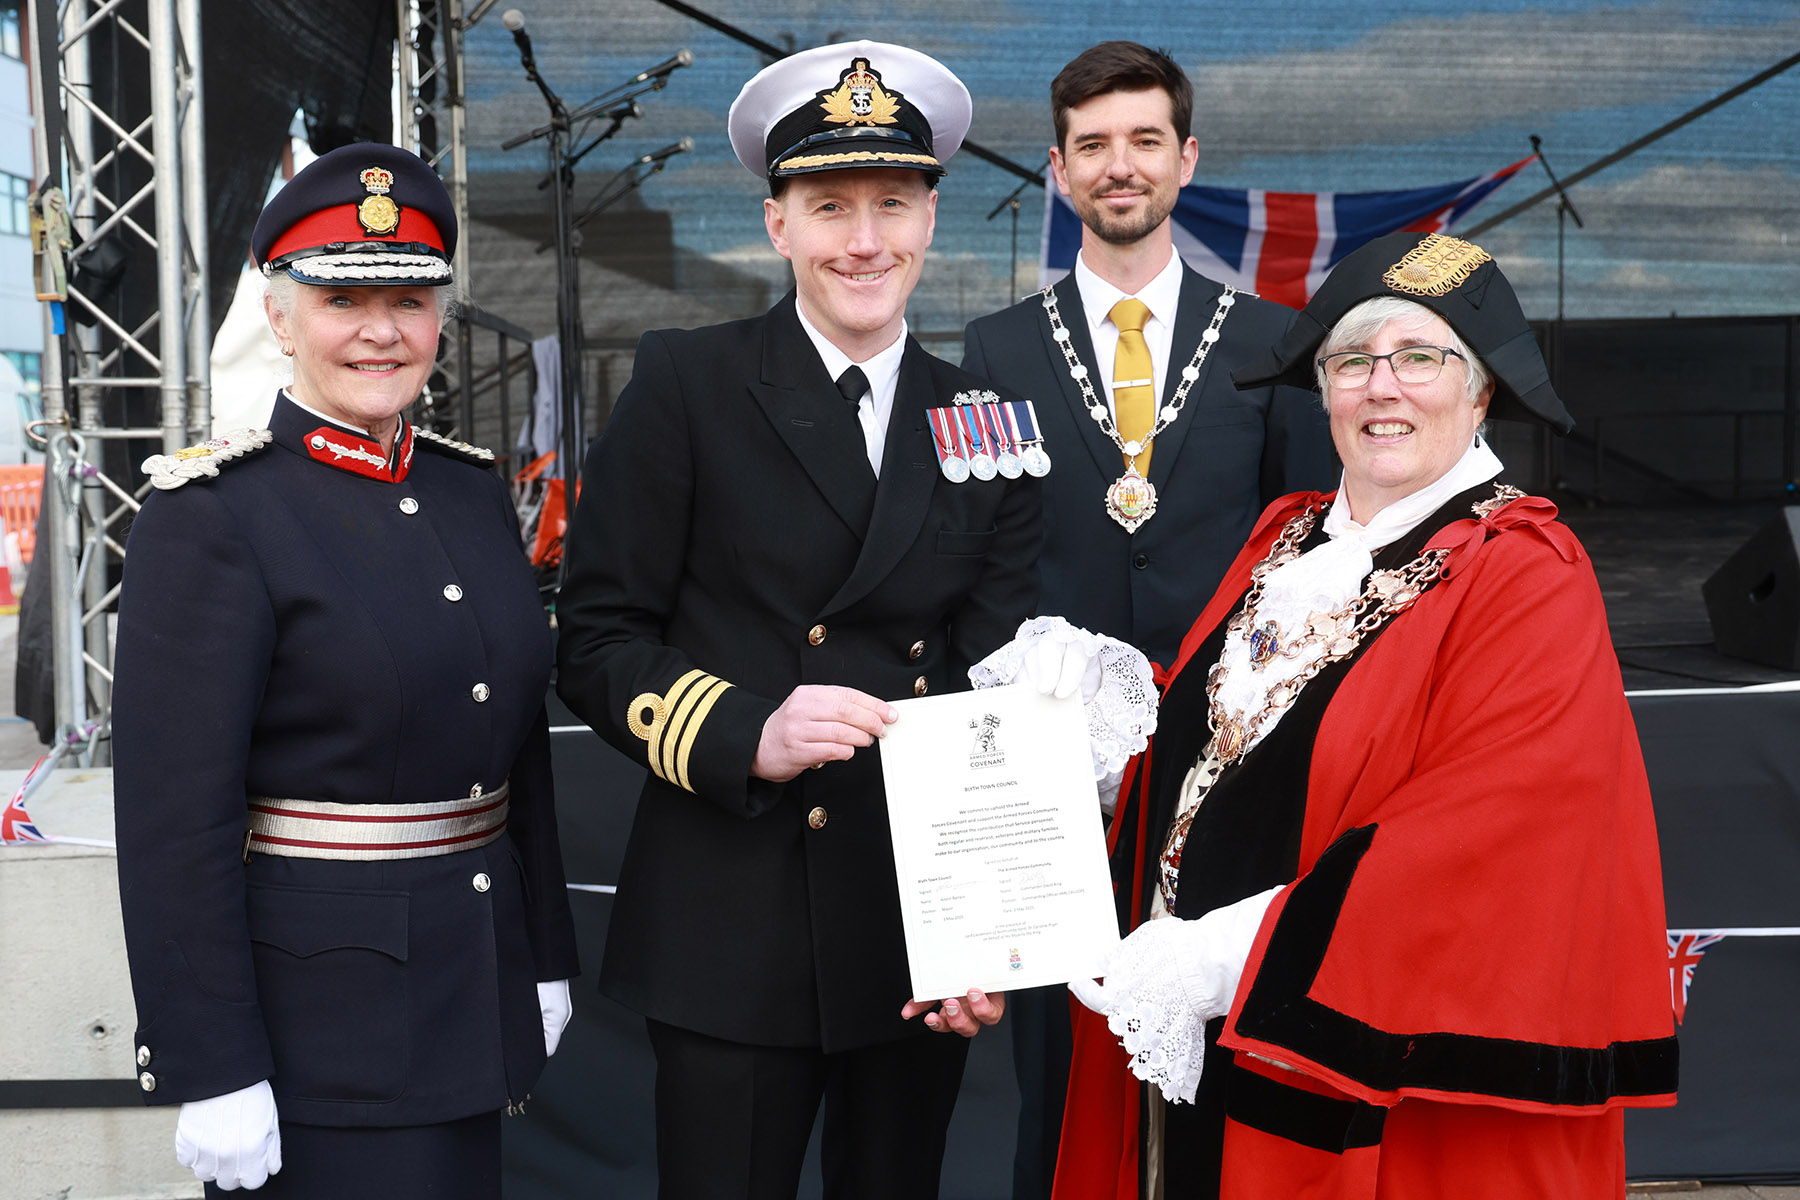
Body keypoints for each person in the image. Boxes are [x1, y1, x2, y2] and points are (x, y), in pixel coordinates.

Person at [1052, 232, 1677, 1198]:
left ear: (1482, 392)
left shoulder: (1523, 573)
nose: (1382, 387)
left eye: (1421, 357)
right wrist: (1096, 728)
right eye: (1352, 360)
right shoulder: (1286, 536)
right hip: (1194, 1037)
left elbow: (1484, 838)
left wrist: (1220, 957)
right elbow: (1223, 745)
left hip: (1361, 1078)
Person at [553, 40, 1041, 1200]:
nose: (863, 241)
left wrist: (986, 933)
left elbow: (1003, 689)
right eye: (830, 207)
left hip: (915, 928)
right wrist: (748, 732)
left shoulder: (986, 422)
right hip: (733, 919)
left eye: (892, 205)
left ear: (932, 220)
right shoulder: (686, 385)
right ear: (778, 226)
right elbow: (597, 640)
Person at [111, 143, 579, 1198]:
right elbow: (174, 823)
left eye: (411, 299)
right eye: (343, 298)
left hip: (472, 999)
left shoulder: (468, 492)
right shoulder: (213, 517)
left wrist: (545, 949)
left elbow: (515, 752)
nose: (382, 329)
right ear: (279, 318)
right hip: (319, 1041)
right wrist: (212, 1061)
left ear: (442, 318)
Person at [959, 42, 1335, 1196]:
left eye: (1143, 141)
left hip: (1227, 766)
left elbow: (1308, 554)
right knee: (1054, 1074)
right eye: (1093, 147)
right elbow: (981, 562)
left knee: (1219, 1053)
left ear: (1187, 158)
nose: (1119, 167)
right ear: (1060, 171)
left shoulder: (1275, 342)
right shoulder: (992, 347)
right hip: (1052, 778)